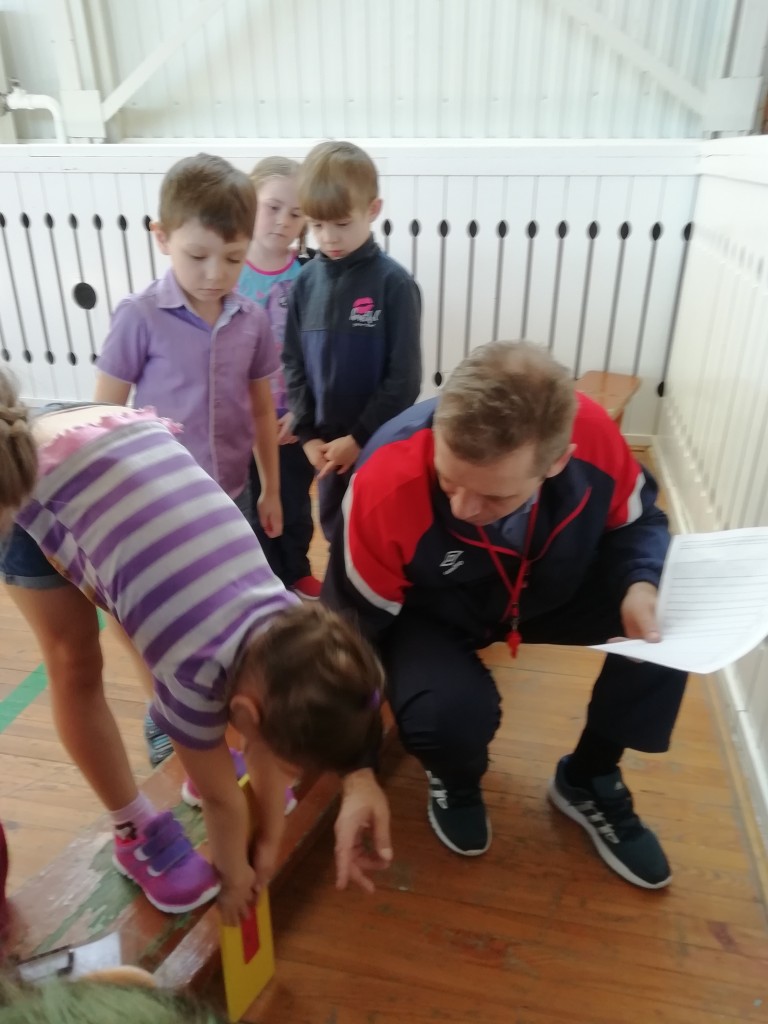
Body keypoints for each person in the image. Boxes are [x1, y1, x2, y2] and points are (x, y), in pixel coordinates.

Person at [0, 378, 384, 921]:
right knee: (74, 661)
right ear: (244, 712)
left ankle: (193, 753)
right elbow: (225, 803)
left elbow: (258, 757)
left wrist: (268, 843)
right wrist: (235, 879)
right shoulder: (195, 674)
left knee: (143, 621)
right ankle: (132, 828)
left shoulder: (291, 622)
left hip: (122, 451)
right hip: (34, 480)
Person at [325, 341, 688, 891]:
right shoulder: (385, 481)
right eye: (448, 481)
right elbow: (347, 636)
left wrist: (640, 584)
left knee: (669, 610)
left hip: (546, 586)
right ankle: (456, 780)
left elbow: (638, 524)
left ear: (558, 460)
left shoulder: (592, 435)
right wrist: (357, 771)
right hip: (434, 608)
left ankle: (590, 776)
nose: (463, 508)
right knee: (445, 718)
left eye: (494, 497)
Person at [93, 152, 283, 765]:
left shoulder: (251, 319)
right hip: (159, 506)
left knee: (225, 607)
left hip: (230, 497)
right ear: (162, 237)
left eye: (233, 258)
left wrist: (271, 488)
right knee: (162, 620)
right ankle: (163, 712)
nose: (215, 274)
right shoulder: (139, 316)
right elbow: (104, 418)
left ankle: (222, 700)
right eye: (197, 256)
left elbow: (261, 411)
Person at [282, 140, 422, 541]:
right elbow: (293, 362)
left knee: (377, 531)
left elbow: (404, 378)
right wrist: (308, 436)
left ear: (372, 210)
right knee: (335, 532)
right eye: (317, 225)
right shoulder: (305, 283)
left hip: (377, 444)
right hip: (326, 451)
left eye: (342, 224)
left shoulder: (394, 284)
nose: (329, 238)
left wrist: (360, 438)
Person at [238, 156, 321, 601]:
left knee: (292, 501)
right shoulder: (227, 271)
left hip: (290, 422)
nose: (283, 221)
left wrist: (301, 414)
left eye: (295, 213)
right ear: (249, 202)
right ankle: (261, 582)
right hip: (240, 421)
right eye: (272, 207)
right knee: (247, 504)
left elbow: (317, 355)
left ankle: (296, 570)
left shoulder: (309, 276)